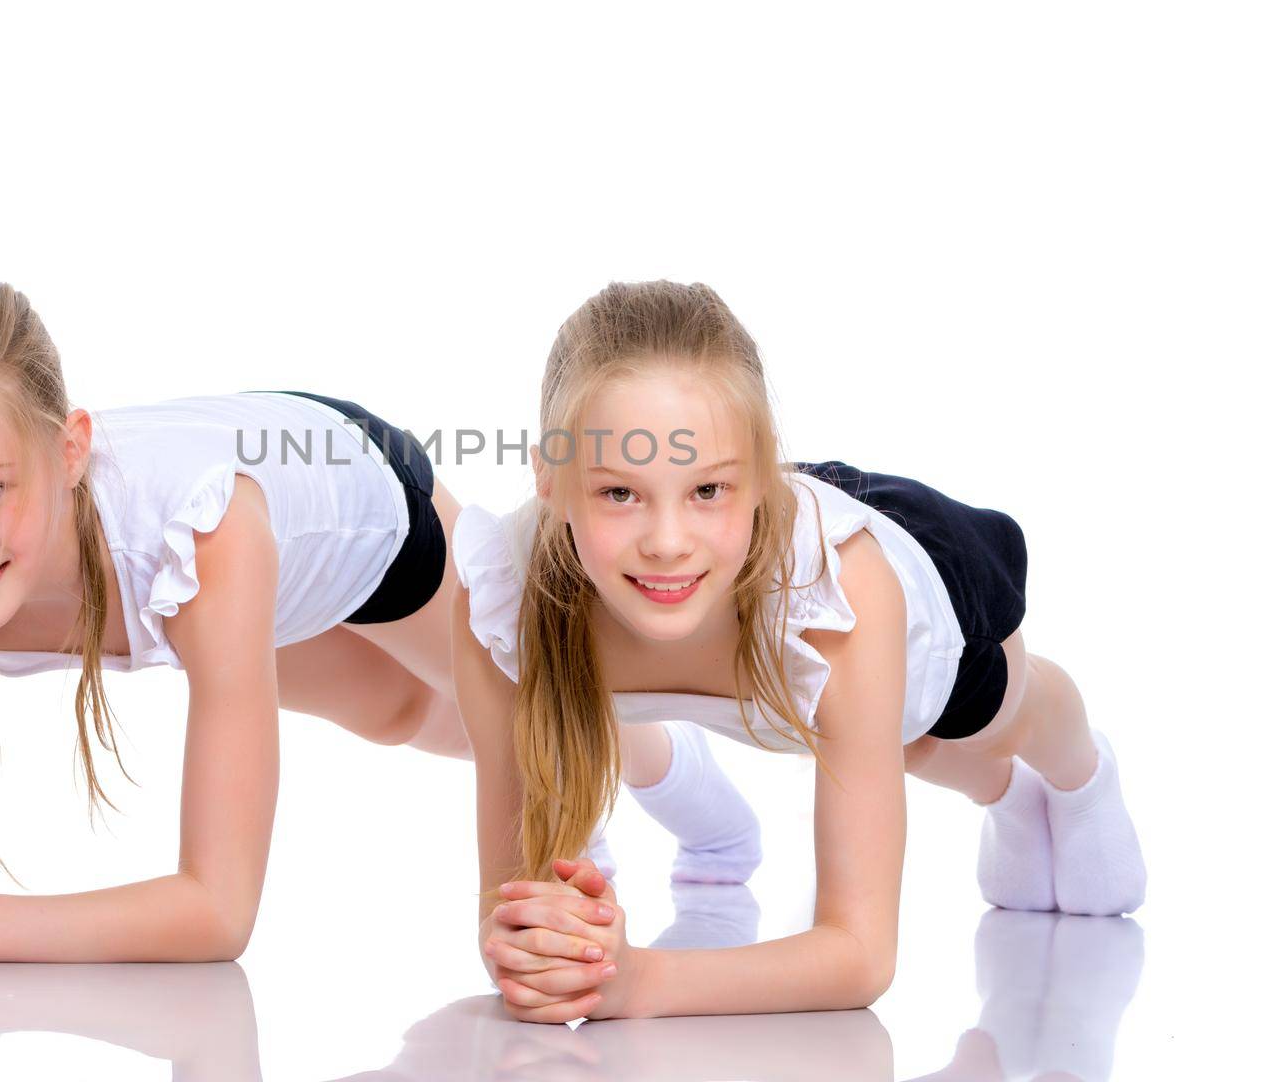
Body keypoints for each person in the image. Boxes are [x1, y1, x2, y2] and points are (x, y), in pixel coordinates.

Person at [0, 276, 757, 962]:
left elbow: (216, 911)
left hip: (358, 499)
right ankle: (576, 786)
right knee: (399, 716)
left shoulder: (204, 531)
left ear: (69, 449)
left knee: (538, 703)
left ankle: (714, 823)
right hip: (227, 550)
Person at [453, 279, 1145, 1021]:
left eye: (707, 489)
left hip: (929, 587)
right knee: (905, 753)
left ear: (756, 478)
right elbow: (507, 913)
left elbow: (860, 954)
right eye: (619, 494)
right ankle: (1004, 794)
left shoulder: (841, 592)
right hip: (772, 581)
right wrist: (550, 951)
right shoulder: (504, 599)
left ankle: (1081, 776)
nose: (665, 543)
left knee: (985, 722)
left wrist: (642, 981)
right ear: (549, 479)